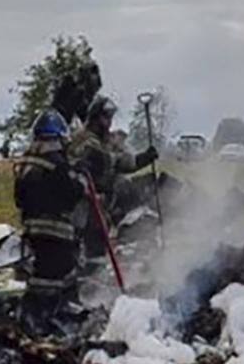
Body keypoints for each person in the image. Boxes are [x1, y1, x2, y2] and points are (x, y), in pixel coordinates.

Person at [15, 110, 86, 334]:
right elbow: (72, 194)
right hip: (56, 231)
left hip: (32, 229)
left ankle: (38, 315)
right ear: (59, 137)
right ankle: (44, 318)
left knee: (42, 273)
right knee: (54, 277)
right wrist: (80, 178)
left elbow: (19, 198)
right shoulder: (58, 163)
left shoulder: (25, 161)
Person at [69, 96, 156, 258]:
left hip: (100, 205)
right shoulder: (83, 139)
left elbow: (123, 161)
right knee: (86, 246)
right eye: (105, 117)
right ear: (96, 117)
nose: (108, 122)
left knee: (98, 246)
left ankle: (92, 276)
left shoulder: (105, 141)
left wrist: (143, 158)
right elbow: (105, 160)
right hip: (82, 204)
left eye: (110, 118)